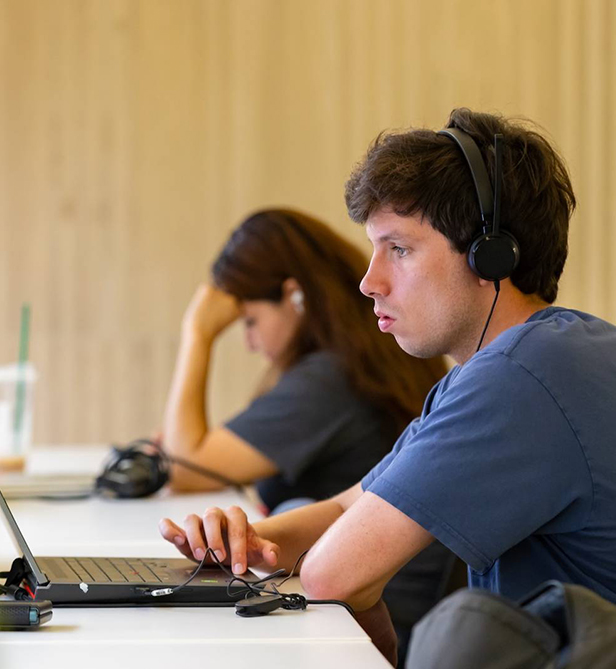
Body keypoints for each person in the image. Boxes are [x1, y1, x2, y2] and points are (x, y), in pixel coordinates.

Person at [157, 110, 616, 669]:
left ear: (490, 258)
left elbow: (332, 576)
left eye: (397, 249)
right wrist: (245, 544)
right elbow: (355, 508)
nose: (369, 282)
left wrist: (345, 579)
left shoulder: (525, 376)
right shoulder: (563, 351)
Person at [159, 208, 454, 663]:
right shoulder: (356, 364)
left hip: (370, 624)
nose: (250, 343)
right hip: (367, 606)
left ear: (294, 296)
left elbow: (187, 468)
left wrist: (196, 334)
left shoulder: (332, 379)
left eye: (251, 321)